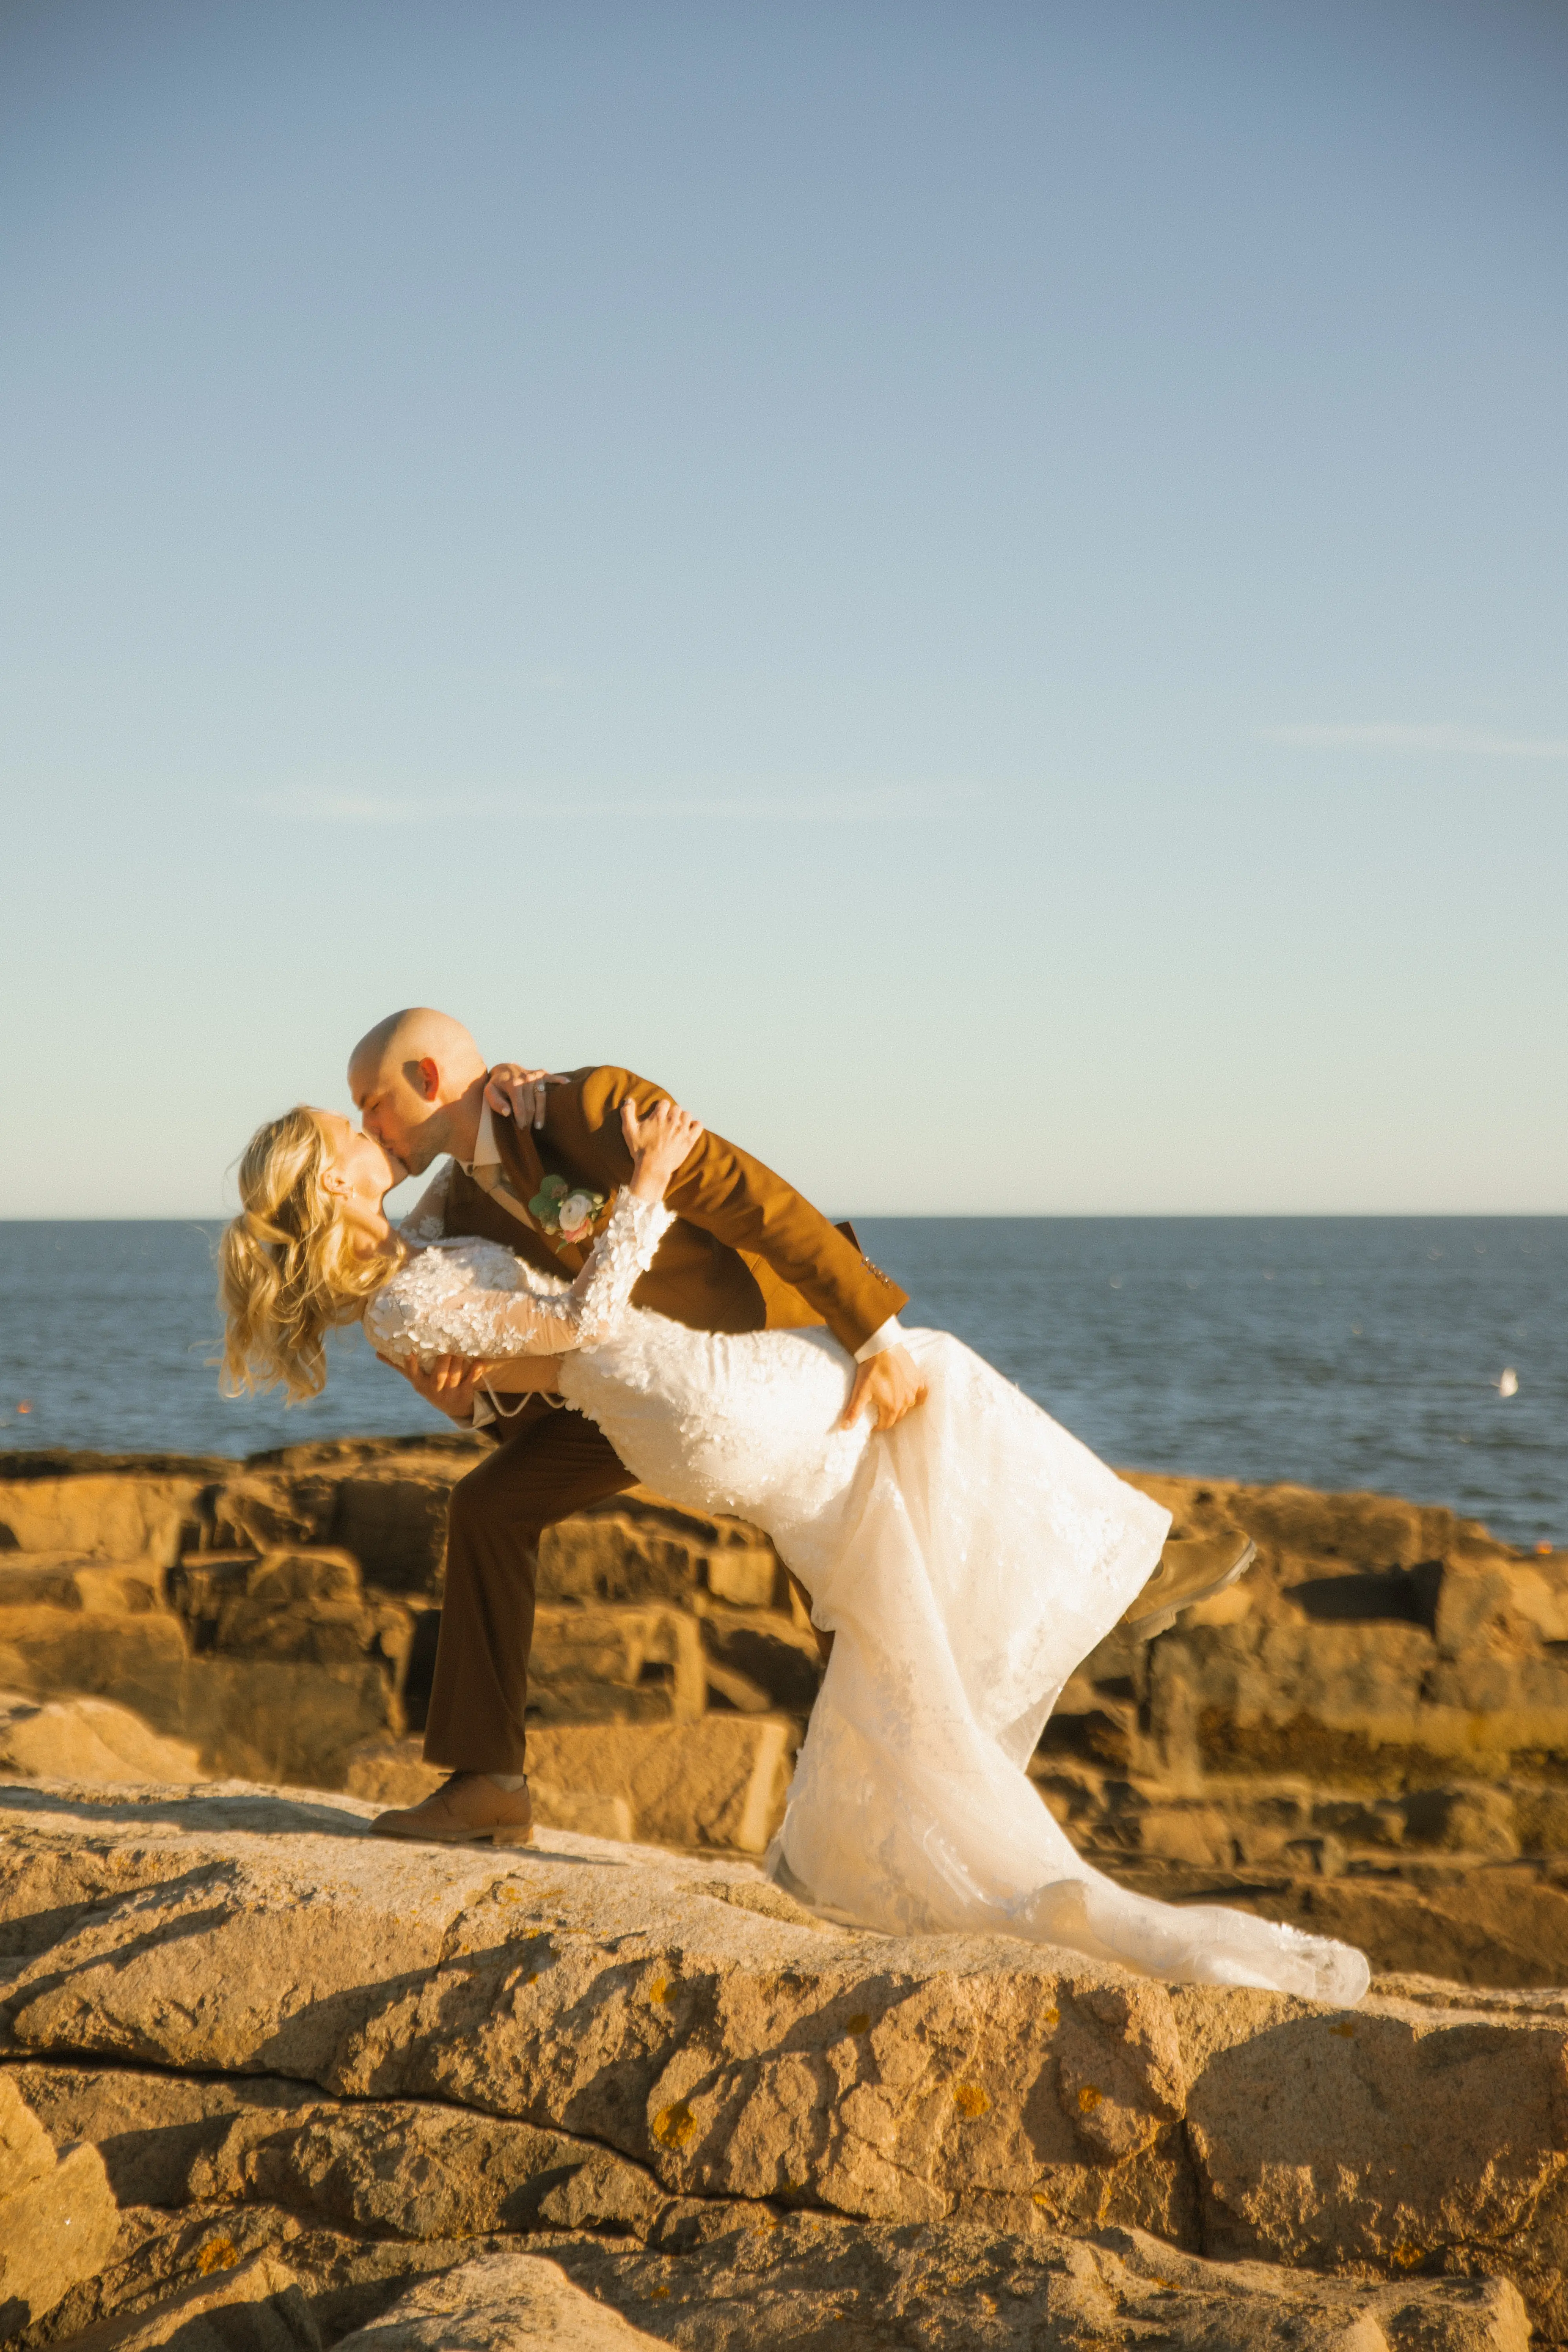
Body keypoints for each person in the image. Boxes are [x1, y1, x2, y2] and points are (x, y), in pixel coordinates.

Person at [219, 1030, 1362, 2004]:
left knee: (871, 1521)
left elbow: (747, 1203)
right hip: (657, 1389)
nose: (366, 1122)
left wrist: (866, 1328)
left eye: (369, 1101)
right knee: (922, 1400)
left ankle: (934, 1753)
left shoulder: (541, 1132)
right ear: (334, 1182)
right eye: (349, 1121)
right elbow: (543, 1320)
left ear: (427, 1079)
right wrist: (627, 1212)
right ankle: (1113, 1576)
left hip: (686, 1371)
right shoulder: (438, 1231)